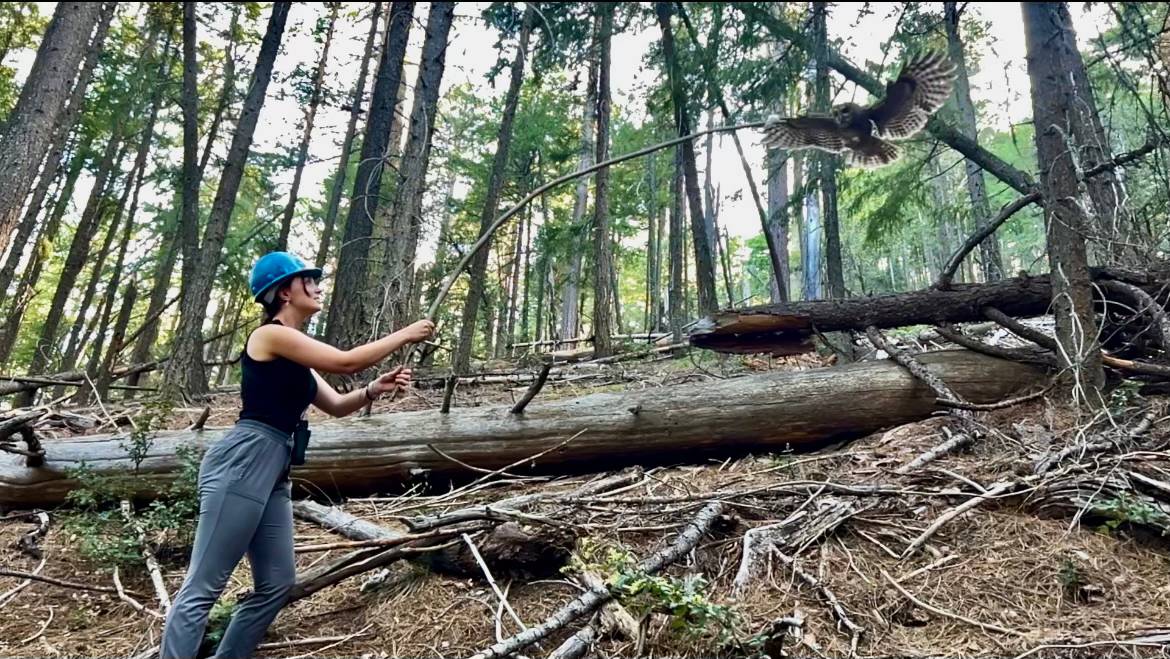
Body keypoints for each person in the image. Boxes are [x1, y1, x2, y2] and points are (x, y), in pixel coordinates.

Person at [160, 252, 434, 659]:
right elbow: (345, 362)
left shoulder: (296, 356)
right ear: (284, 291)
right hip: (245, 459)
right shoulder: (269, 335)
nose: (318, 286)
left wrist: (373, 389)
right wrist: (405, 334)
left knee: (276, 583)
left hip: (276, 467)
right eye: (309, 280)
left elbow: (338, 405)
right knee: (204, 586)